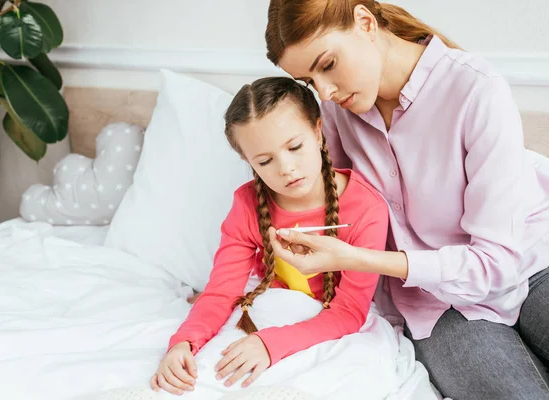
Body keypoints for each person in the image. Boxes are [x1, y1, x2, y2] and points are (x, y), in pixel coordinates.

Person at [264, 1, 549, 399]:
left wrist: (354, 258)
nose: (326, 91)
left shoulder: (476, 87)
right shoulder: (335, 113)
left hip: (534, 260)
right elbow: (328, 202)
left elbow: (495, 262)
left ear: (365, 22)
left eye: (328, 64)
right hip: (433, 302)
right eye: (309, 81)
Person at [149, 76, 390, 395]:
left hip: (326, 325)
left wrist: (271, 344)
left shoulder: (367, 209)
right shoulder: (247, 205)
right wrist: (183, 342)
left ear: (317, 132)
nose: (287, 168)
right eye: (265, 161)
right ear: (248, 161)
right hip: (266, 306)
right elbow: (222, 291)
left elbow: (349, 311)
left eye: (294, 147)